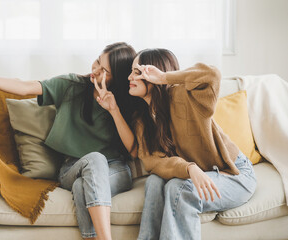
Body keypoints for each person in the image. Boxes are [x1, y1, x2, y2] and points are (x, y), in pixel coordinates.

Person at [0, 42, 137, 240]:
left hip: (115, 169)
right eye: (97, 62)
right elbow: (26, 87)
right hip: (72, 168)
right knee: (94, 160)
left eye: (105, 71)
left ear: (118, 77)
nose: (95, 70)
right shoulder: (72, 86)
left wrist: (113, 110)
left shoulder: (127, 100)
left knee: (81, 186)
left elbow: (133, 151)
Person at [94, 48, 257, 240]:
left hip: (235, 174)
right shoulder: (142, 120)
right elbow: (152, 161)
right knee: (155, 181)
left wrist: (164, 78)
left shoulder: (185, 97)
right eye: (131, 71)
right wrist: (190, 169)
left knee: (179, 189)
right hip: (200, 172)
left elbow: (212, 75)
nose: (130, 76)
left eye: (137, 72)